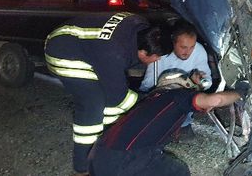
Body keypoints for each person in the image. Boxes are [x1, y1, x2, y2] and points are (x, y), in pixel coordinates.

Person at [44, 11, 166, 175]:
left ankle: (106, 148)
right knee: (92, 102)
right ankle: (82, 166)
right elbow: (117, 97)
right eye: (156, 57)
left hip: (85, 46)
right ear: (143, 53)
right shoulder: (114, 52)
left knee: (111, 101)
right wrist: (145, 103)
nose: (157, 60)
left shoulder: (141, 28)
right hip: (61, 51)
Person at [88, 71, 250, 176]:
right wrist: (241, 92)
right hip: (127, 159)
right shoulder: (177, 96)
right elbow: (216, 99)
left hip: (100, 155)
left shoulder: (154, 99)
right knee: (177, 171)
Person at [138, 19, 211, 138]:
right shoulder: (160, 52)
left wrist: (201, 82)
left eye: (191, 47)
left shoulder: (199, 51)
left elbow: (207, 80)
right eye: (183, 47)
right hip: (161, 94)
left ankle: (183, 125)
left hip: (183, 97)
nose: (188, 52)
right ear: (173, 42)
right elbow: (148, 83)